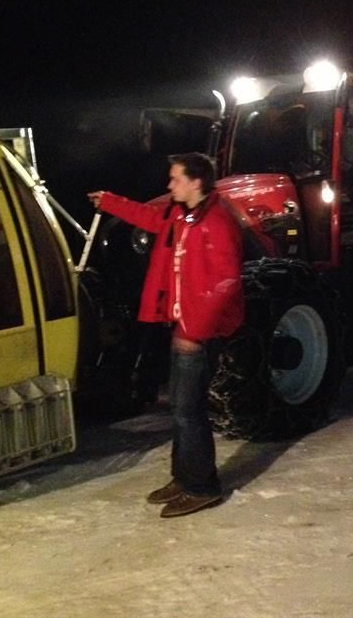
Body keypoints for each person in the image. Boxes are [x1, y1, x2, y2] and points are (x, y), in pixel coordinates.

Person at [88, 153, 244, 518]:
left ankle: (202, 487)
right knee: (181, 409)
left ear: (196, 182)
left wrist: (194, 332)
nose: (169, 185)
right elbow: (146, 216)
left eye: (175, 179)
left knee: (189, 411)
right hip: (183, 327)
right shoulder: (181, 215)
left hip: (197, 333)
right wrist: (109, 201)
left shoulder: (216, 223)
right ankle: (184, 477)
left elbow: (225, 284)